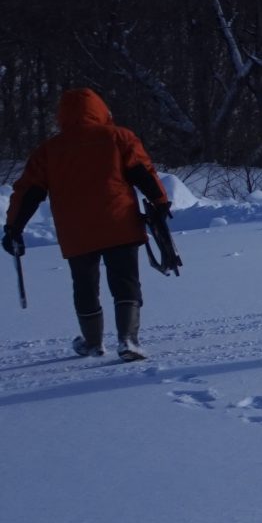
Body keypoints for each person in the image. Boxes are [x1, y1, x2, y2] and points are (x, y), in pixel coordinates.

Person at [3, 89, 171, 361]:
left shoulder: (49, 150)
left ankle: (93, 342)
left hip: (76, 231)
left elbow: (28, 191)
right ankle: (128, 339)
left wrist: (13, 228)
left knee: (84, 285)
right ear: (101, 109)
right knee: (125, 280)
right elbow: (142, 171)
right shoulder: (118, 137)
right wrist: (160, 202)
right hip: (119, 222)